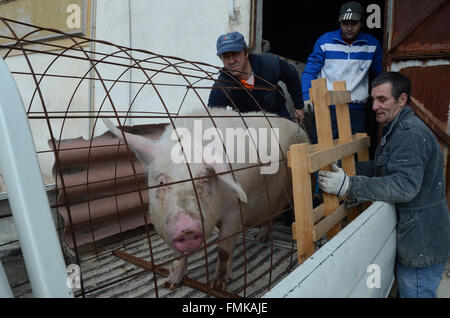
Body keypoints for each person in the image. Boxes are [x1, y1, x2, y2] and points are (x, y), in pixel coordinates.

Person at [318, 72, 450, 298]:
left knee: (415, 293)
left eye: (382, 100)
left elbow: (404, 186)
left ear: (402, 100)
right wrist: (347, 170)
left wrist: (350, 186)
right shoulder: (398, 128)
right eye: (373, 100)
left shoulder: (409, 134)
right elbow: (385, 170)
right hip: (418, 237)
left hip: (421, 243)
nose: (375, 106)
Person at [301, 1, 383, 143]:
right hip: (327, 107)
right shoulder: (325, 41)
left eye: (353, 23)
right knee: (325, 151)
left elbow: (382, 73)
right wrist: (306, 97)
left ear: (362, 23)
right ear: (339, 22)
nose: (349, 28)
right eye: (345, 23)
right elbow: (310, 71)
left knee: (355, 152)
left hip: (356, 109)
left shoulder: (372, 44)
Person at [208, 31, 304, 121]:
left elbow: (292, 76)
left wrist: (299, 106)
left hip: (278, 115)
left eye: (235, 54)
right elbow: (212, 116)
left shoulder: (269, 64)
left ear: (246, 53)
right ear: (221, 58)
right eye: (225, 56)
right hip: (250, 125)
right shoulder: (223, 85)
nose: (231, 61)